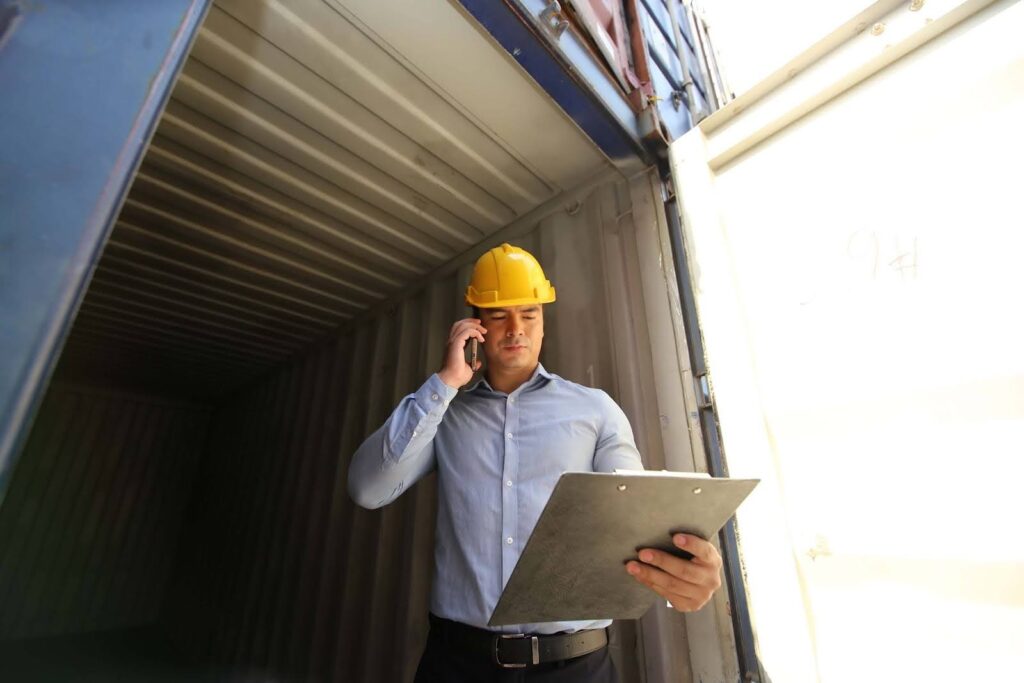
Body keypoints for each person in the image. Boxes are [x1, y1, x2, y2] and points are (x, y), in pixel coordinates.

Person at [348, 243, 723, 682]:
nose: (516, 330)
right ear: (474, 325)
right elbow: (367, 489)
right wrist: (446, 381)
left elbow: (633, 519)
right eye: (498, 316)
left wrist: (683, 573)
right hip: (459, 664)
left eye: (529, 314)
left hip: (578, 666)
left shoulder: (596, 410)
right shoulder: (442, 412)